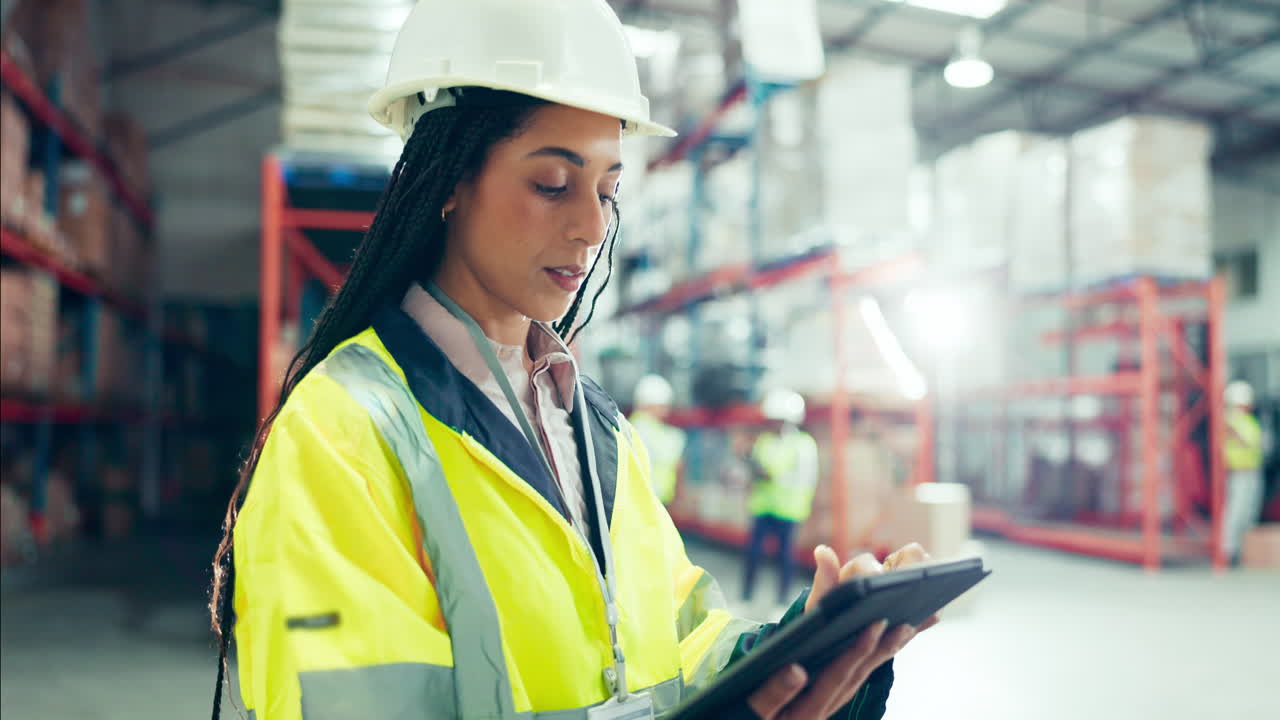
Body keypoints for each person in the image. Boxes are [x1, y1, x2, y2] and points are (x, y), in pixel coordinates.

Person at [208, 2, 935, 718]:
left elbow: (677, 642)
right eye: (552, 184)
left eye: (609, 190)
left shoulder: (596, 432)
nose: (590, 227)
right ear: (450, 179)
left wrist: (802, 656)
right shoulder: (340, 436)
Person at [742, 389, 821, 607]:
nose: (773, 424)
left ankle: (781, 602)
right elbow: (757, 472)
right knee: (753, 554)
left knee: (785, 558)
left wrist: (765, 473)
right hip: (763, 506)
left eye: (778, 420)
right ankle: (746, 596)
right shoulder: (765, 441)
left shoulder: (803, 445)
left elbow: (801, 478)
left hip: (789, 510)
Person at [1223, 380, 1265, 562]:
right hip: (1239, 471)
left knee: (1249, 511)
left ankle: (1245, 550)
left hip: (1252, 469)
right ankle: (1229, 550)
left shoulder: (1248, 420)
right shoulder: (1230, 420)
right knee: (1236, 511)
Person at [629, 374, 687, 504]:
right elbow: (676, 461)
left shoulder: (628, 426)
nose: (666, 411)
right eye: (663, 406)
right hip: (648, 502)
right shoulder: (643, 429)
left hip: (646, 501)